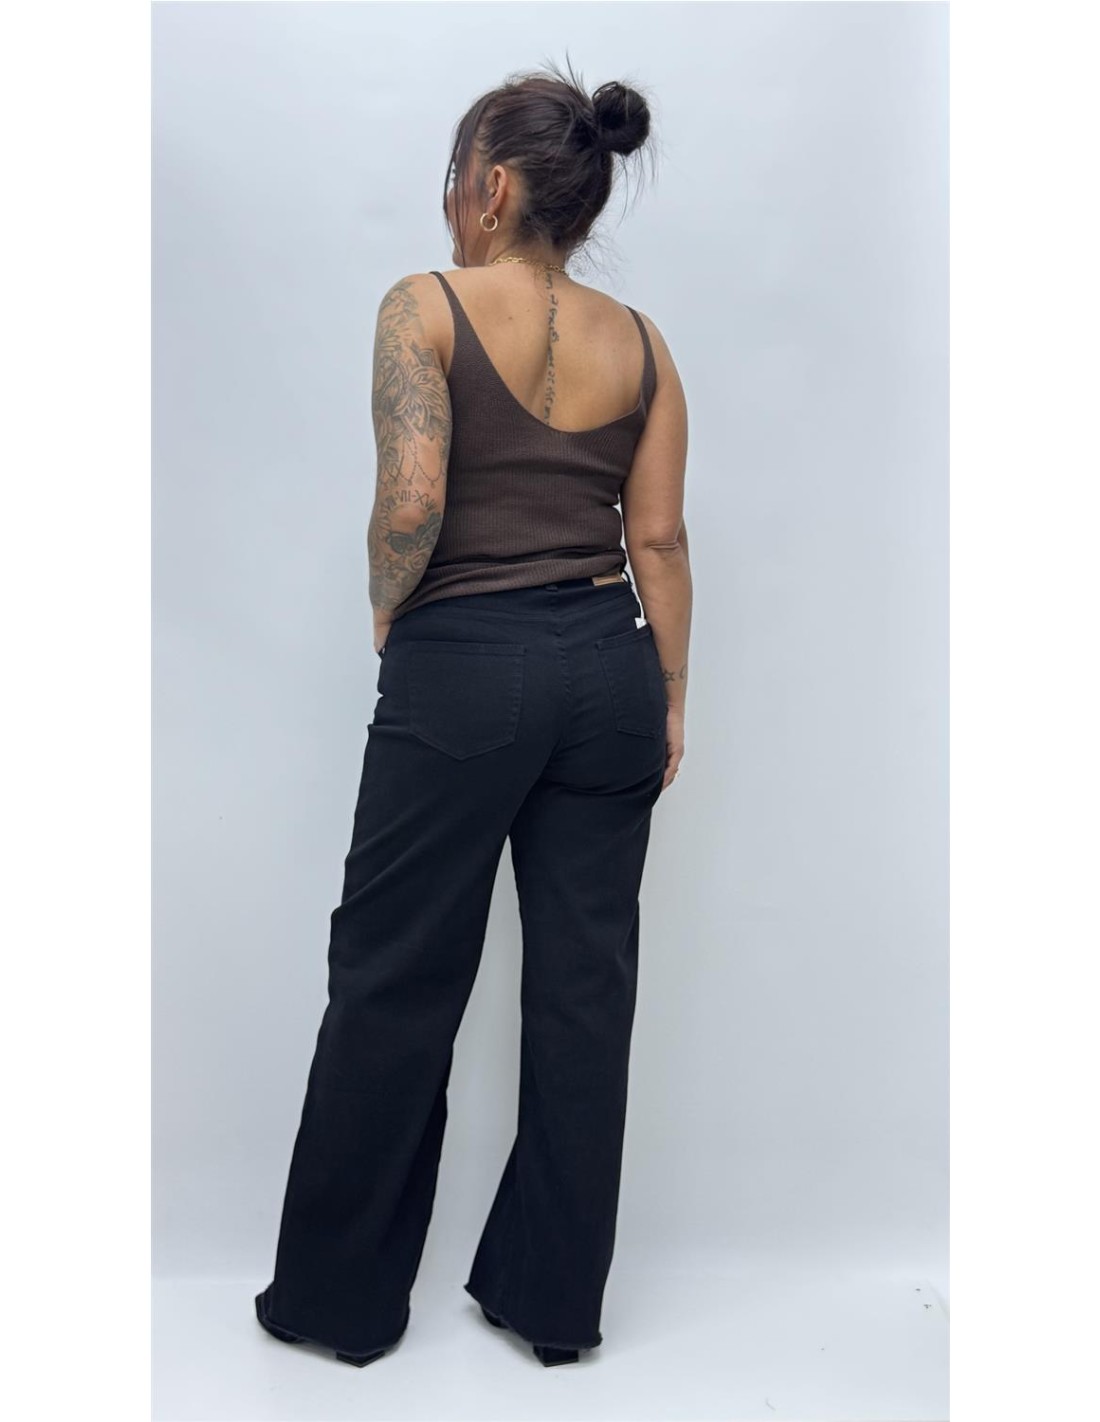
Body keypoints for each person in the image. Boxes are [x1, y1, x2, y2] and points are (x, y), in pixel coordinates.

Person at [255, 57, 691, 1370]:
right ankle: (552, 1306)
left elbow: (412, 500)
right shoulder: (645, 344)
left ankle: (338, 1303)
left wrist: (390, 606)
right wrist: (670, 694)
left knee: (394, 973)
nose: (450, 201)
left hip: (464, 670)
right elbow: (658, 540)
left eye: (456, 178)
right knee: (584, 994)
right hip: (611, 675)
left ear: (493, 187)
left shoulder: (425, 307)